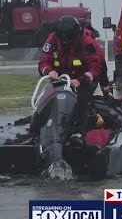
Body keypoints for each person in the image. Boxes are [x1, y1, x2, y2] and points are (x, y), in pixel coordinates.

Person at [38, 16, 104, 145]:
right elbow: (44, 60)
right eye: (63, 40)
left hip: (83, 78)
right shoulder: (52, 40)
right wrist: (48, 71)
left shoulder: (87, 42)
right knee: (50, 97)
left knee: (81, 98)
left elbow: (95, 67)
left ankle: (79, 132)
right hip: (61, 76)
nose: (65, 42)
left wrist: (81, 80)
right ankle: (43, 127)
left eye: (68, 40)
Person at [78, 19, 111, 96]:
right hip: (87, 78)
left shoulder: (89, 42)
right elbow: (101, 64)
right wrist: (105, 86)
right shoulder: (93, 43)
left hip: (82, 79)